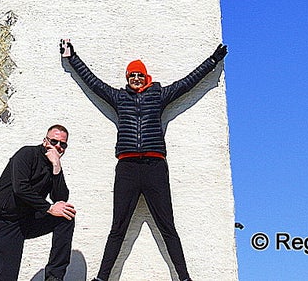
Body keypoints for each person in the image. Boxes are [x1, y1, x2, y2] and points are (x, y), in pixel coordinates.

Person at [60, 36, 227, 281]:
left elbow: (187, 83)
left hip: (155, 167)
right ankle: (101, 278)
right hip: (127, 167)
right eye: (131, 76)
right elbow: (93, 83)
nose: (135, 79)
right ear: (127, 79)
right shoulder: (119, 98)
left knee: (167, 226)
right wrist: (72, 58)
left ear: (145, 77)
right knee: (118, 227)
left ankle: (184, 278)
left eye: (139, 75)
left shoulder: (158, 95)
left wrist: (212, 61)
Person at [0, 125, 76, 281]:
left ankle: (54, 277)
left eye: (63, 144)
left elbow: (61, 199)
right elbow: (20, 188)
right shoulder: (27, 154)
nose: (58, 147)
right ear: (45, 141)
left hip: (25, 220)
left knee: (65, 216)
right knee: (5, 279)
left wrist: (56, 167)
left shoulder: (54, 165)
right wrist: (48, 208)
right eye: (54, 142)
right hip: (1, 221)